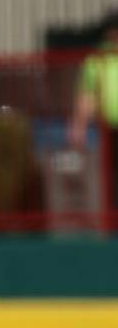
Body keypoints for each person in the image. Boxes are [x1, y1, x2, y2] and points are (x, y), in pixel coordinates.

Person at [68, 13, 118, 211]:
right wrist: (78, 126)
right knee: (109, 174)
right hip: (108, 128)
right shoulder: (97, 60)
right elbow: (86, 96)